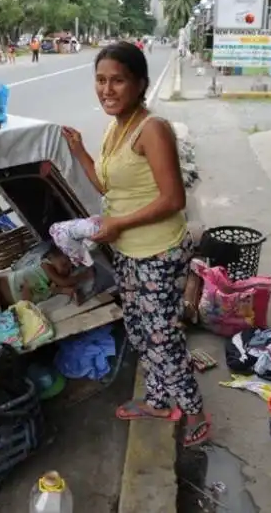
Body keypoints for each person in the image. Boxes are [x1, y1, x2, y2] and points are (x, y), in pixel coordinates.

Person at [60, 41, 210, 447]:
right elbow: (107, 185)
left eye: (118, 81)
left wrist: (117, 224)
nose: (107, 89)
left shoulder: (152, 129)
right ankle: (161, 402)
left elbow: (173, 198)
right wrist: (79, 153)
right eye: (101, 80)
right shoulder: (115, 127)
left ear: (140, 84)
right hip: (129, 251)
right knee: (140, 332)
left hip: (158, 252)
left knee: (162, 335)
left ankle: (194, 411)